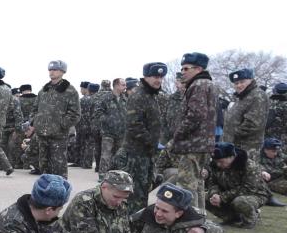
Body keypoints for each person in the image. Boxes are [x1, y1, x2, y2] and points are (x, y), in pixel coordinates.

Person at [112, 63, 165, 213]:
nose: (158, 80)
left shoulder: (152, 96)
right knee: (133, 195)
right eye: (155, 76)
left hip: (146, 154)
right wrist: (151, 142)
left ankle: (136, 225)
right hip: (135, 155)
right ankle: (130, 227)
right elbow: (134, 124)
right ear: (146, 77)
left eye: (160, 77)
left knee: (142, 193)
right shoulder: (139, 95)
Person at [168, 52, 218, 211]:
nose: (183, 72)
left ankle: (190, 221)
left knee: (186, 184)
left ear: (198, 68)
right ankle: (199, 216)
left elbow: (196, 114)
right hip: (203, 143)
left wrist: (178, 134)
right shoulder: (207, 84)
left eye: (186, 68)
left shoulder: (198, 85)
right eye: (182, 69)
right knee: (197, 184)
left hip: (193, 143)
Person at [28, 60, 80, 178]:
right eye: (50, 70)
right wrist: (35, 123)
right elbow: (34, 109)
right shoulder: (43, 90)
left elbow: (75, 114)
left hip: (58, 136)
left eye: (55, 70)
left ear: (62, 72)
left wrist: (61, 124)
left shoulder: (70, 91)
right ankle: (46, 193)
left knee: (59, 168)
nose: (51, 72)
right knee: (44, 168)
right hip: (42, 135)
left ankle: (61, 193)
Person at [205, 142, 269, 228]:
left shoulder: (249, 166)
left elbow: (248, 189)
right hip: (229, 193)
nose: (218, 164)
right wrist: (214, 194)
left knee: (240, 202)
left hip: (255, 194)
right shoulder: (216, 166)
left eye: (221, 161)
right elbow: (212, 182)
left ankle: (250, 220)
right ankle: (232, 218)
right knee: (207, 198)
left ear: (232, 157)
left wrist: (222, 197)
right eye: (216, 161)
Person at [224, 68, 268, 159]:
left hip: (246, 148)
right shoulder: (242, 96)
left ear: (251, 80)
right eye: (236, 83)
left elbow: (253, 124)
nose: (239, 85)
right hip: (235, 146)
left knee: (245, 172)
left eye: (242, 82)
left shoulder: (257, 95)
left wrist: (232, 136)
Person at [259, 137, 287, 202]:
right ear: (265, 150)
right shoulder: (258, 156)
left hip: (281, 178)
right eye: (273, 151)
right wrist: (262, 171)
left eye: (276, 151)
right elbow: (255, 168)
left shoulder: (279, 154)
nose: (275, 153)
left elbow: (284, 157)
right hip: (270, 182)